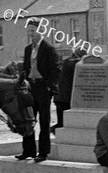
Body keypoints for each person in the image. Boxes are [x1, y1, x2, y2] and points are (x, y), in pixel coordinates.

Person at [16, 17, 60, 162]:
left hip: (43, 88)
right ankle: (28, 151)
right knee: (28, 119)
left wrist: (48, 86)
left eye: (33, 31)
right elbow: (25, 68)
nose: (31, 34)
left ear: (41, 31)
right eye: (29, 31)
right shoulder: (28, 49)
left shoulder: (49, 49)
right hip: (30, 87)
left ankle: (43, 152)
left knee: (44, 121)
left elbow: (56, 70)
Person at [51, 47, 88, 134]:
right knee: (65, 124)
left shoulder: (67, 61)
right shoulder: (73, 63)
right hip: (66, 98)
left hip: (60, 97)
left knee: (62, 122)